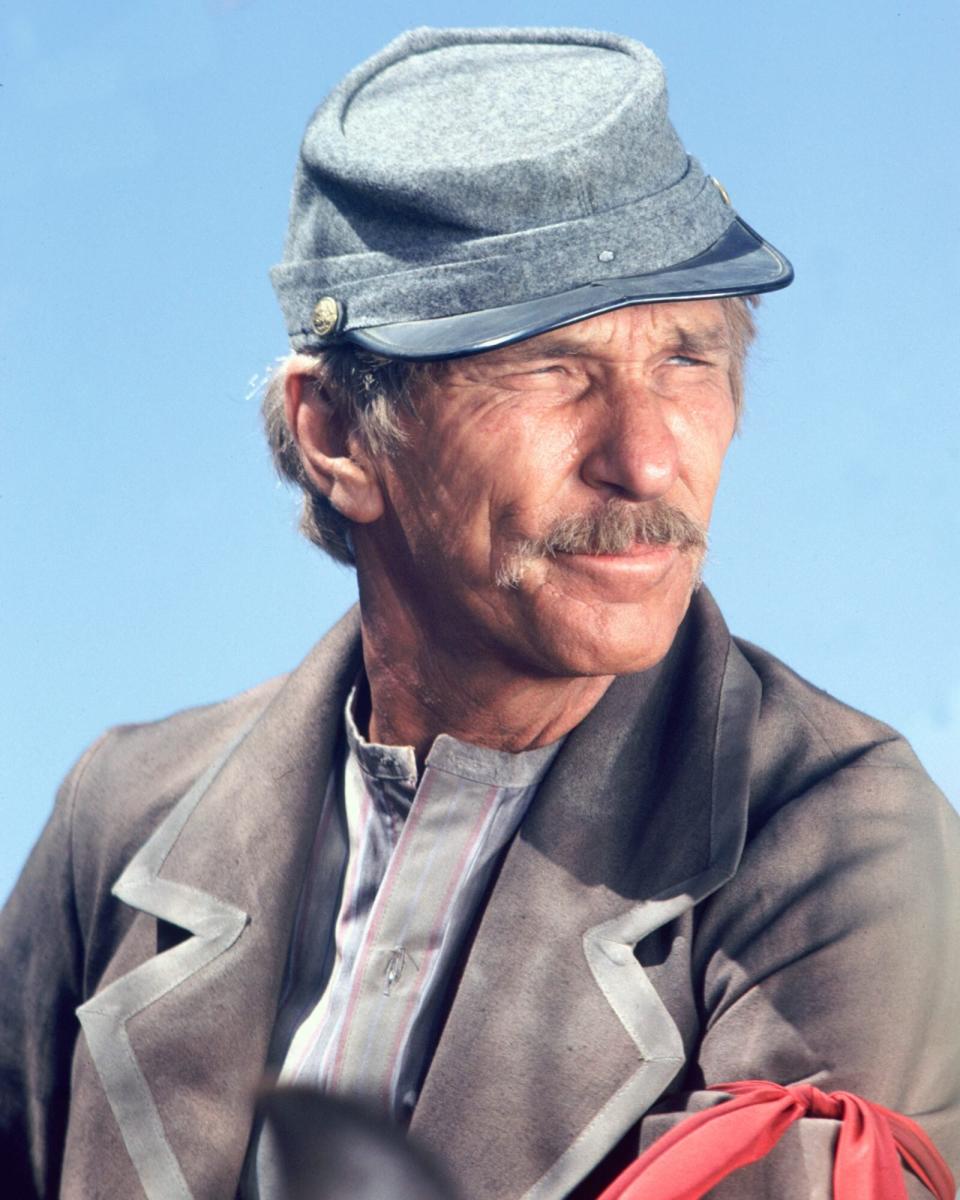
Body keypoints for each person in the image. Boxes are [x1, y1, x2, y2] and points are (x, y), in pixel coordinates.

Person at [1, 26, 957, 1200]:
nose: (649, 461)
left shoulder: (836, 832)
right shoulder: (125, 823)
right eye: (552, 367)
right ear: (338, 435)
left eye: (688, 358)